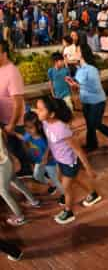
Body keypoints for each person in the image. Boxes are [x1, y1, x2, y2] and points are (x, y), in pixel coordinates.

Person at [37, 95, 102, 224]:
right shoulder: (45, 123)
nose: (38, 112)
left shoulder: (62, 129)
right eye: (37, 108)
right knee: (75, 180)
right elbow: (51, 141)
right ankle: (93, 194)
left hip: (70, 163)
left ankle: (69, 212)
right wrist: (46, 154)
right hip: (60, 160)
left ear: (51, 114)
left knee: (66, 188)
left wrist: (89, 169)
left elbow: (78, 150)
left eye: (41, 109)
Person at [65, 44, 108, 152]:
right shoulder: (80, 68)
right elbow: (79, 87)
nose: (74, 53)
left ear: (83, 54)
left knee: (95, 123)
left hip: (97, 101)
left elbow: (95, 88)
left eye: (77, 51)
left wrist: (77, 85)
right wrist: (73, 84)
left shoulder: (91, 69)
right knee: (90, 124)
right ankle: (92, 144)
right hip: (86, 101)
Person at [0, 39, 32, 177]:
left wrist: (12, 124)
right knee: (12, 148)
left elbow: (18, 103)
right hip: (3, 119)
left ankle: (34, 171)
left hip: (14, 121)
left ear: (4, 54)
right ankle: (26, 167)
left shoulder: (12, 72)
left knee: (20, 147)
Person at [0, 125, 40, 227]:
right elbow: (5, 144)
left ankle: (20, 217)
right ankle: (34, 201)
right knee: (15, 180)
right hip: (7, 160)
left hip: (2, 164)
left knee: (3, 191)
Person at [23, 110, 65, 196]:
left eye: (30, 127)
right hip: (39, 162)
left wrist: (46, 157)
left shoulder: (44, 139)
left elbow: (52, 150)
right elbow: (24, 140)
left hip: (50, 163)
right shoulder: (28, 135)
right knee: (37, 176)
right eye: (26, 127)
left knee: (56, 180)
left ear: (38, 126)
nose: (28, 130)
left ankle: (64, 194)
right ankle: (52, 184)